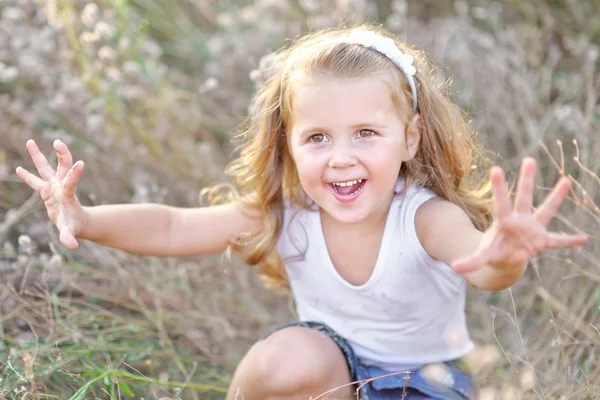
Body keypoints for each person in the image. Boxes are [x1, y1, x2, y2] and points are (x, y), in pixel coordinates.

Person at [16, 25, 588, 400]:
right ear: (288, 144)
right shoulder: (289, 214)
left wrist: (506, 257)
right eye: (317, 137)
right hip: (327, 377)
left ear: (410, 139)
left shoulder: (425, 219)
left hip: (428, 386)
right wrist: (85, 218)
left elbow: (482, 266)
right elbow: (172, 224)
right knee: (291, 357)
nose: (341, 159)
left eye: (366, 133)